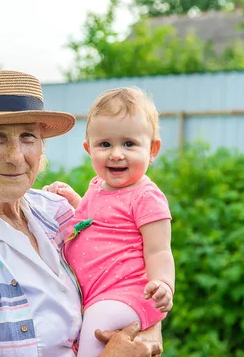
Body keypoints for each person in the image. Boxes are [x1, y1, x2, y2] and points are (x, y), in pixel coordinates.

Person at [0, 70, 164, 357]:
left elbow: (130, 276)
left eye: (27, 136)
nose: (16, 156)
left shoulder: (56, 212)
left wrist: (147, 334)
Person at [43, 87, 175, 357]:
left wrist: (163, 284)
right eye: (105, 144)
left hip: (127, 293)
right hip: (97, 294)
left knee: (93, 338)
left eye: (129, 144)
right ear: (88, 148)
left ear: (152, 150)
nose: (116, 154)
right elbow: (97, 222)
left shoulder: (145, 195)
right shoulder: (97, 186)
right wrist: (74, 201)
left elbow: (159, 249)